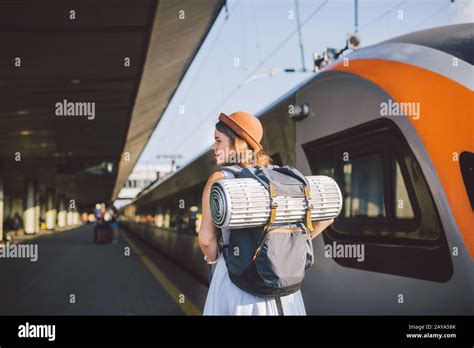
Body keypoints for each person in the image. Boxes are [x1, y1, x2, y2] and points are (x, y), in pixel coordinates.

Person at [198, 111, 334, 315]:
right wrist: (289, 243)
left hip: (237, 283)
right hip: (284, 290)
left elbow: (207, 241)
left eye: (218, 140)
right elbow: (327, 216)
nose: (213, 146)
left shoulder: (220, 180)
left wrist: (212, 259)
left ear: (237, 143)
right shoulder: (280, 176)